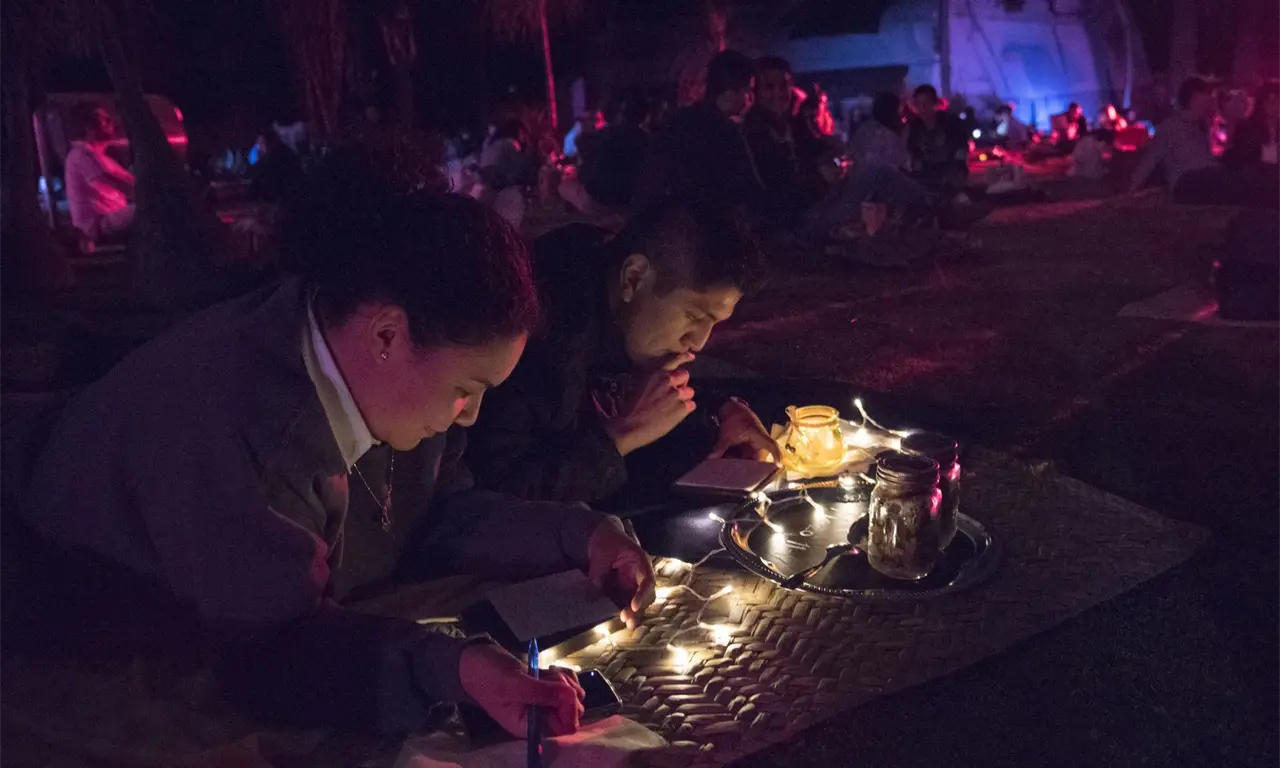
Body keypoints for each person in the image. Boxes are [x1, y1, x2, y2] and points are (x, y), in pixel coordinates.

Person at [12, 145, 655, 737]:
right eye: (468, 387)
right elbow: (273, 657)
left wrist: (580, 535)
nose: (469, 416)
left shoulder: (372, 366)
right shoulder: (239, 433)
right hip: (64, 623)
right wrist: (454, 668)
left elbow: (433, 513)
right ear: (385, 335)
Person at [465, 199, 777, 506]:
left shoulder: (627, 320)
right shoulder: (540, 336)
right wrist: (619, 439)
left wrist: (719, 412)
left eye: (714, 324)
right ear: (634, 278)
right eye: (694, 317)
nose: (698, 342)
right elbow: (496, 492)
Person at [633, 50, 765, 214]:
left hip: (665, 225)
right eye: (748, 91)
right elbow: (750, 194)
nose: (751, 98)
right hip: (705, 228)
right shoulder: (726, 132)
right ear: (730, 95)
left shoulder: (674, 121)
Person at [1129, 76, 1219, 199]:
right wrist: (1131, 188)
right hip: (1185, 182)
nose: (1210, 101)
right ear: (1194, 99)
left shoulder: (1202, 126)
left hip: (1207, 176)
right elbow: (1151, 158)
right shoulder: (1170, 127)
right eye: (1206, 96)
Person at [63, 105, 136, 242]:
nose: (112, 123)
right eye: (106, 121)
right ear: (89, 128)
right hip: (98, 224)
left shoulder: (97, 156)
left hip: (109, 218)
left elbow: (128, 180)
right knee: (150, 209)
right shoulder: (82, 155)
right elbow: (115, 183)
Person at [578, 91, 653, 208]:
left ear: (622, 113)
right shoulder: (646, 140)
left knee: (563, 186)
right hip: (629, 199)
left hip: (599, 199)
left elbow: (586, 164)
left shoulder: (607, 134)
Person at [905, 85, 969, 188]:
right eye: (919, 104)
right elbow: (913, 154)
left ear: (935, 103)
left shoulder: (951, 123)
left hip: (950, 173)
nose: (923, 108)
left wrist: (959, 167)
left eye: (926, 103)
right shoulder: (914, 128)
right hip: (925, 176)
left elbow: (961, 148)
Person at [1224, 81, 1280, 171]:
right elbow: (1242, 161)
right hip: (1254, 179)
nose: (1276, 106)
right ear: (1262, 103)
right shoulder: (1249, 130)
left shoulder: (1277, 130)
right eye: (1272, 101)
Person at [849, 92, 910, 170]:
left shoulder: (864, 130)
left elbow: (853, 152)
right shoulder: (889, 138)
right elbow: (899, 161)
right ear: (891, 112)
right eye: (898, 111)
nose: (900, 115)